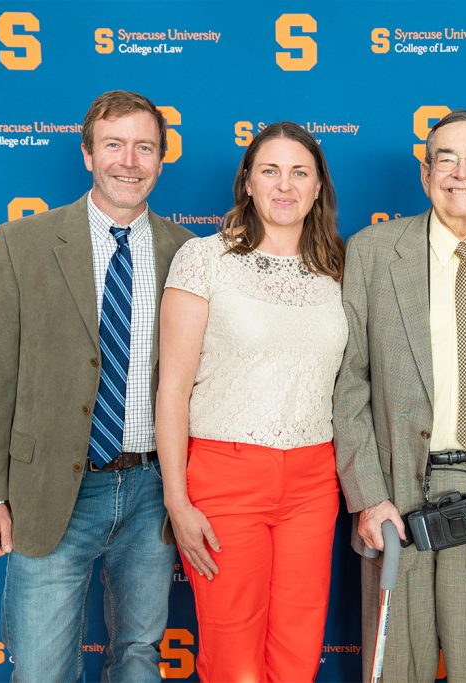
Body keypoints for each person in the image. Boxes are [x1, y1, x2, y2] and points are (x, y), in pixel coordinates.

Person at [0, 90, 194, 680]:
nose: (129, 161)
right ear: (87, 154)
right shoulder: (23, 244)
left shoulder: (188, 253)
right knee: (41, 667)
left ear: (162, 159)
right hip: (50, 490)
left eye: (145, 147)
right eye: (113, 145)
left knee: (140, 656)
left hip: (151, 491)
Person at [334, 109, 466, 682]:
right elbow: (348, 380)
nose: (462, 172)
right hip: (398, 495)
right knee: (394, 669)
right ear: (425, 174)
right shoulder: (374, 251)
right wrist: (367, 497)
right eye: (445, 158)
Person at [156, 121, 346, 682]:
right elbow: (173, 388)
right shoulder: (203, 259)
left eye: (298, 172)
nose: (284, 185)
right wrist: (176, 500)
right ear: (248, 182)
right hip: (225, 476)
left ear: (317, 188)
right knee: (232, 654)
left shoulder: (338, 268)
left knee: (297, 649)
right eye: (269, 170)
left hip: (314, 479)